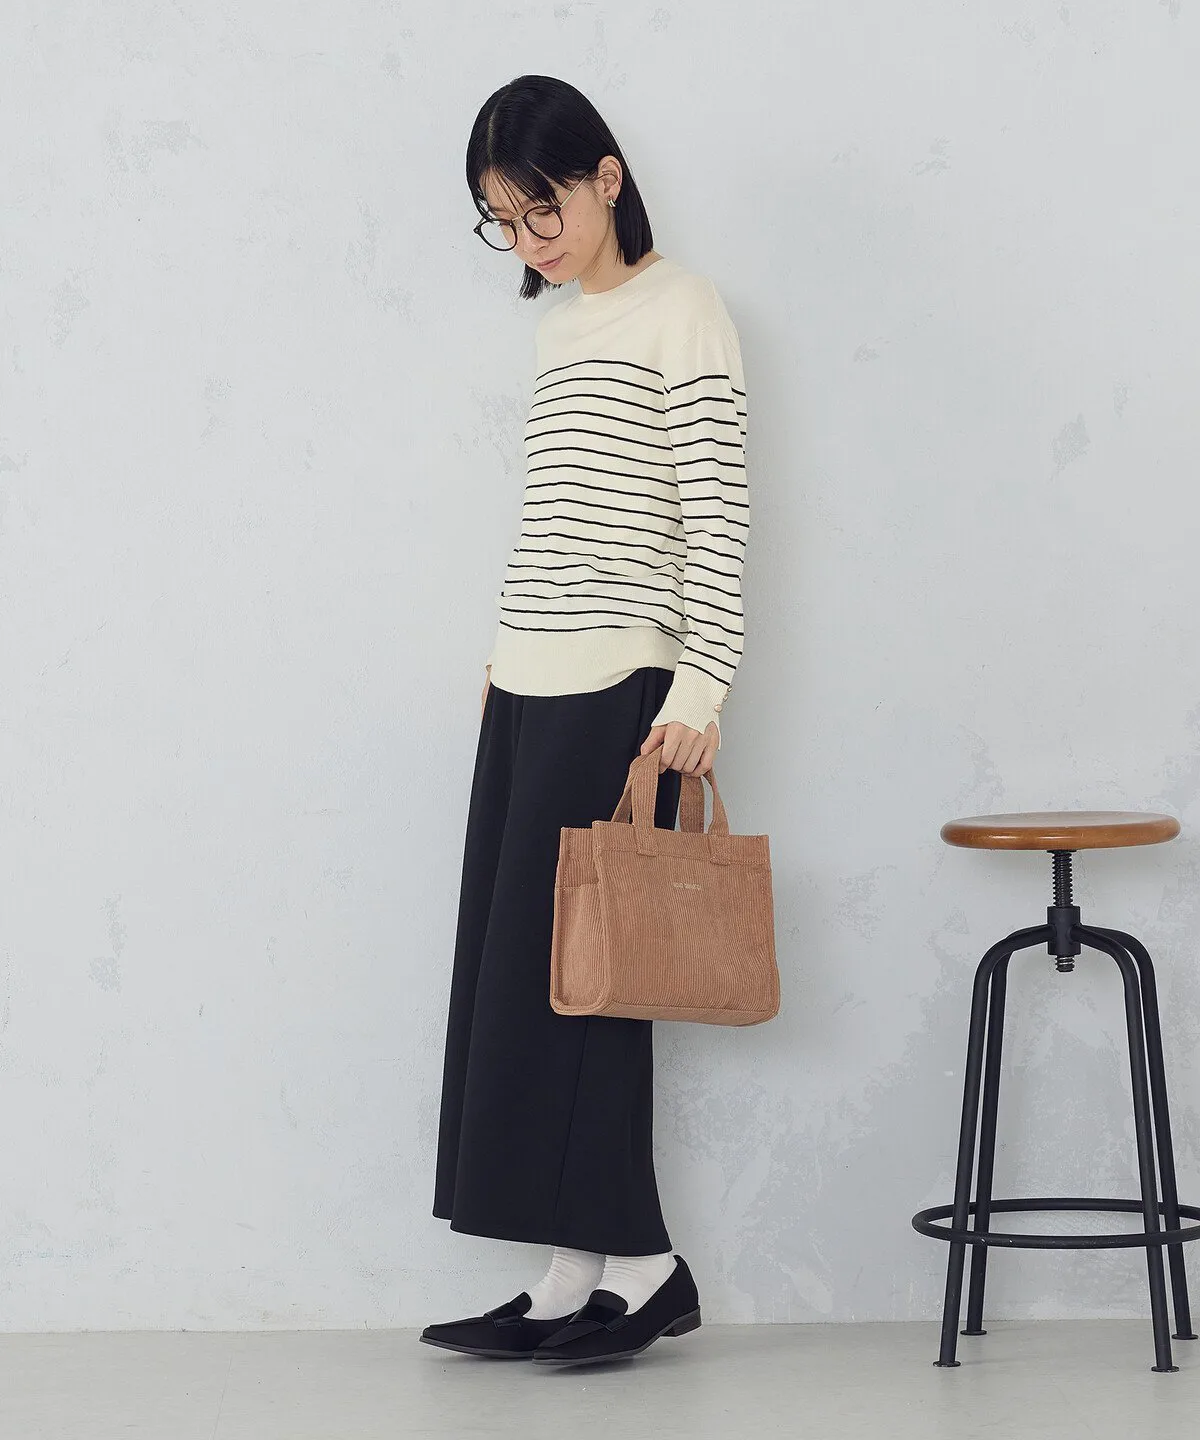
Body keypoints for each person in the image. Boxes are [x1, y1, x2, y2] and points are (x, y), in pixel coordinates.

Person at [422, 73, 749, 1367]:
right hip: (527, 685)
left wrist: (702, 691)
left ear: (607, 177)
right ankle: (572, 1278)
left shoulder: (687, 310)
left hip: (623, 691)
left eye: (540, 209)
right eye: (502, 221)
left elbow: (715, 513)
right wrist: (500, 657)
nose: (528, 239)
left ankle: (649, 1270)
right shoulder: (560, 329)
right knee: (523, 986)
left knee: (593, 988)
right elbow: (555, 514)